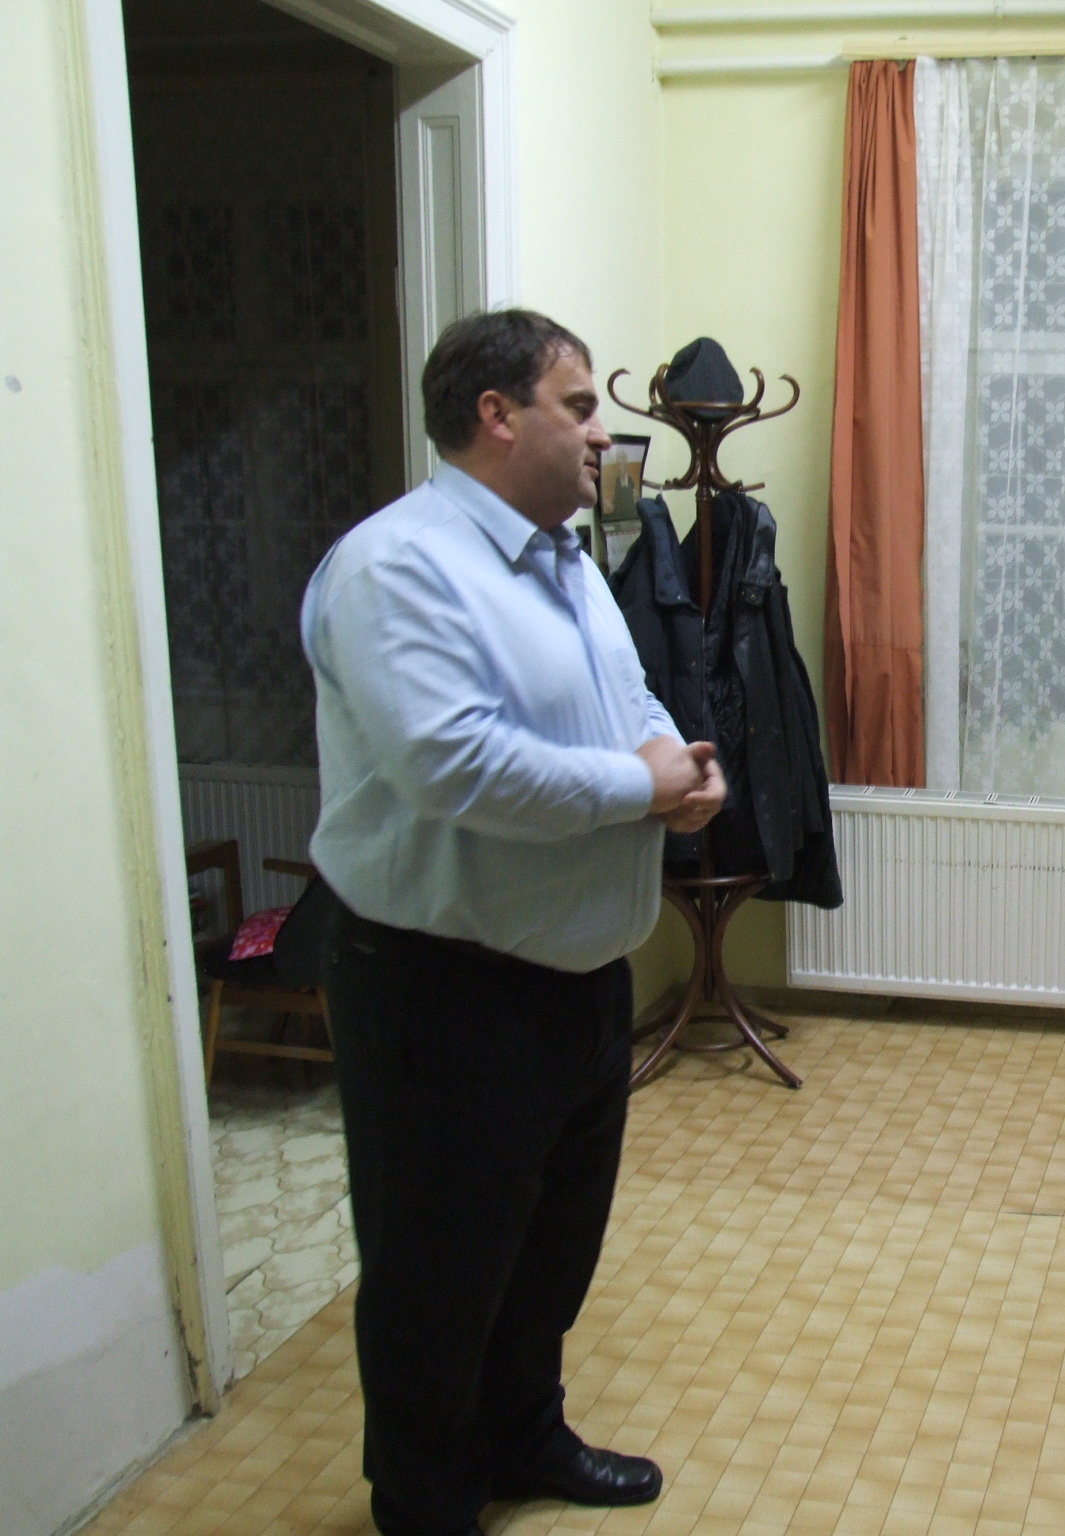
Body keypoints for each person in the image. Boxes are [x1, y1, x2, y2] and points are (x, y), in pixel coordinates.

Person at [302, 309, 726, 1536]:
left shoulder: (565, 557)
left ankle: (524, 1438)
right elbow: (458, 766)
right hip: (443, 989)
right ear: (496, 415)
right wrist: (643, 789)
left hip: (577, 979)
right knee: (436, 1275)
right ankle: (427, 1501)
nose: (602, 433)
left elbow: (627, 696)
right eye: (579, 406)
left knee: (546, 1251)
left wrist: (678, 770)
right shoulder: (398, 568)